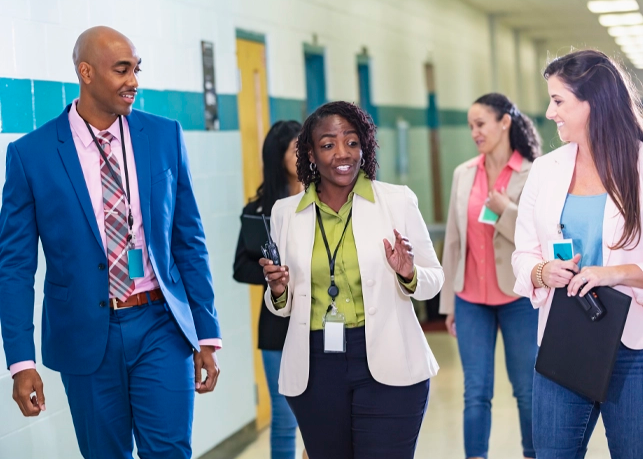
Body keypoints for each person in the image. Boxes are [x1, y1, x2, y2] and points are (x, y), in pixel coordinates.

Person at [0, 27, 221, 459]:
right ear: (85, 73)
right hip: (85, 333)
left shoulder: (163, 136)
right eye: (122, 70)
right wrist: (21, 362)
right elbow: (14, 266)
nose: (133, 80)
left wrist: (207, 332)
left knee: (171, 451)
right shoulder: (32, 154)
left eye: (136, 69)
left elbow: (188, 239)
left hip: (161, 322)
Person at [259, 101, 444, 459]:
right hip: (317, 367)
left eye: (352, 142)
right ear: (310, 153)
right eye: (328, 144)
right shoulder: (286, 213)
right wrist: (278, 291)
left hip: (389, 362)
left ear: (365, 146)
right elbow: (281, 306)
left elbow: (433, 279)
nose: (342, 154)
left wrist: (408, 273)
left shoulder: (397, 201)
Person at [512, 49, 643, 458]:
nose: (550, 113)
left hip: (632, 346)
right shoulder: (546, 169)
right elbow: (523, 254)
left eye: (558, 101)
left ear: (594, 102)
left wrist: (613, 273)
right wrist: (543, 271)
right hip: (565, 340)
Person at [440, 93, 541, 459]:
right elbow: (454, 240)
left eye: (480, 124)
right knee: (476, 391)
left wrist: (505, 210)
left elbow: (538, 238)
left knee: (527, 389)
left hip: (517, 298)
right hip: (470, 299)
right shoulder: (463, 174)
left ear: (505, 123)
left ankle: (533, 453)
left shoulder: (534, 172)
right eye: (470, 126)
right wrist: (449, 303)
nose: (474, 133)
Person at [233, 120, 303, 459]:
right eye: (295, 149)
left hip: (322, 320)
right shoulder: (259, 211)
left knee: (328, 414)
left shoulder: (323, 200)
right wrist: (273, 275)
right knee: (285, 415)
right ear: (279, 157)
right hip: (277, 325)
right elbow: (240, 267)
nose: (305, 154)